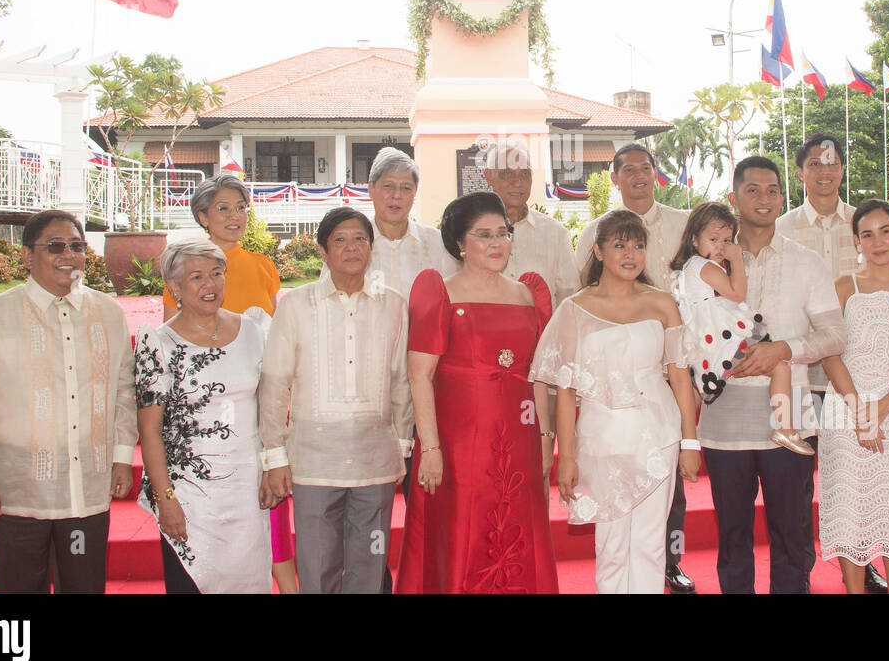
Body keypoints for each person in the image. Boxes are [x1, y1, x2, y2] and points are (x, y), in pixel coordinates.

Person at [0, 210, 136, 593]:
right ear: (27, 256)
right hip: (16, 493)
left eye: (77, 246)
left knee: (84, 587)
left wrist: (121, 458)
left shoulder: (110, 314)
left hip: (88, 490)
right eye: (54, 246)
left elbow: (124, 391)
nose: (68, 254)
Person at [531, 210, 701, 593]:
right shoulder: (574, 308)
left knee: (650, 544)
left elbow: (679, 377)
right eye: (620, 245)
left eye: (638, 246)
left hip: (658, 434)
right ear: (598, 250)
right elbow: (566, 388)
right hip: (600, 437)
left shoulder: (662, 303)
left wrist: (690, 443)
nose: (630, 254)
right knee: (610, 545)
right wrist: (566, 456)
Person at [396, 191, 558, 593]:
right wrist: (429, 449)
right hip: (457, 444)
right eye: (483, 235)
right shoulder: (439, 292)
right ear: (459, 244)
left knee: (519, 535)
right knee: (461, 538)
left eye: (503, 234)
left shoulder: (528, 293)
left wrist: (544, 438)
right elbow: (419, 375)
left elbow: (536, 375)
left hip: (519, 440)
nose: (497, 244)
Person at [699, 157, 846, 594]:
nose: (764, 199)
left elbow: (835, 335)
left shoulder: (807, 263)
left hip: (794, 411)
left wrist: (784, 349)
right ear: (733, 198)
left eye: (772, 190)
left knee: (791, 532)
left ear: (783, 195)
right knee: (733, 534)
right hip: (726, 417)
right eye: (752, 190)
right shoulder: (706, 264)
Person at [260, 208, 411, 594]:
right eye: (340, 240)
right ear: (323, 252)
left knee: (369, 566)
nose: (351, 248)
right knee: (317, 568)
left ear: (371, 248)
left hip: (374, 461)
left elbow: (401, 380)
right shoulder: (295, 304)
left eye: (360, 238)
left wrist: (403, 447)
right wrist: (275, 457)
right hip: (313, 462)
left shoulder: (394, 305)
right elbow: (275, 382)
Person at [162, 172, 295, 592]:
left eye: (241, 208)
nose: (235, 216)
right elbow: (176, 347)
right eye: (223, 208)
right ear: (202, 215)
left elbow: (275, 347)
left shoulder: (263, 266)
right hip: (205, 419)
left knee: (273, 527)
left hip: (257, 406)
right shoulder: (184, 266)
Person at [574, 141, 694, 593]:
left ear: (655, 173)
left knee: (662, 502)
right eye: (629, 170)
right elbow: (584, 307)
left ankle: (671, 564)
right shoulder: (592, 232)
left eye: (646, 167)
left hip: (674, 368)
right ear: (615, 178)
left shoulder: (683, 225)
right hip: (612, 387)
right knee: (614, 525)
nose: (639, 176)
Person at [776, 131, 887, 592]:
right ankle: (799, 569)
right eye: (815, 164)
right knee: (796, 480)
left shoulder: (862, 225)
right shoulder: (781, 228)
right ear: (801, 171)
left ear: (843, 169)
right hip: (800, 378)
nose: (825, 171)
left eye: (833, 162)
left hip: (853, 375)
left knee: (854, 477)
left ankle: (862, 565)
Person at [136, 238, 273, 593]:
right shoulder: (158, 343)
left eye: (216, 274)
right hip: (188, 492)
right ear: (175, 287)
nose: (210, 285)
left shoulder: (253, 332)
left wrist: (272, 466)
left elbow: (269, 409)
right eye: (197, 277)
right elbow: (150, 432)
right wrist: (166, 499)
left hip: (247, 491)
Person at [817, 200, 889, 594]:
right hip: (845, 412)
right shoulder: (842, 287)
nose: (878, 241)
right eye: (868, 234)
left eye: (886, 230)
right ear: (857, 241)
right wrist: (858, 410)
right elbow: (830, 353)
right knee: (852, 512)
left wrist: (880, 410)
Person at [671, 201, 812, 454]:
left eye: (727, 240)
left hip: (709, 342)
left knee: (702, 387)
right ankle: (786, 428)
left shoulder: (690, 268)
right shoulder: (702, 266)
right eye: (713, 239)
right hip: (722, 340)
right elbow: (737, 292)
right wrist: (736, 259)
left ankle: (682, 436)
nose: (721, 247)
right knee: (780, 367)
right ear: (694, 239)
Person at [482, 142, 578, 308]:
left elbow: (570, 299)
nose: (517, 182)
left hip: (544, 334)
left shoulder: (555, 234)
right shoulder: (470, 234)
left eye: (525, 174)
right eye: (507, 173)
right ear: (489, 175)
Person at [366, 147, 460, 297]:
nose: (396, 195)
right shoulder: (353, 244)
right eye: (388, 186)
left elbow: (455, 297)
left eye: (406, 188)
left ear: (415, 191)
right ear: (371, 188)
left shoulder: (438, 243)